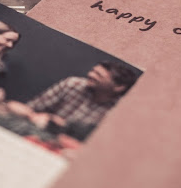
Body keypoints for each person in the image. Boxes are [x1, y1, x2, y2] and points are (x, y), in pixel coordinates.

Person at [8, 61, 138, 142]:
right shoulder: (73, 84)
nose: (90, 75)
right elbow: (33, 108)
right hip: (40, 133)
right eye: (93, 71)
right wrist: (38, 116)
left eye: (99, 75)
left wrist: (64, 128)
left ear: (118, 87)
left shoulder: (121, 110)